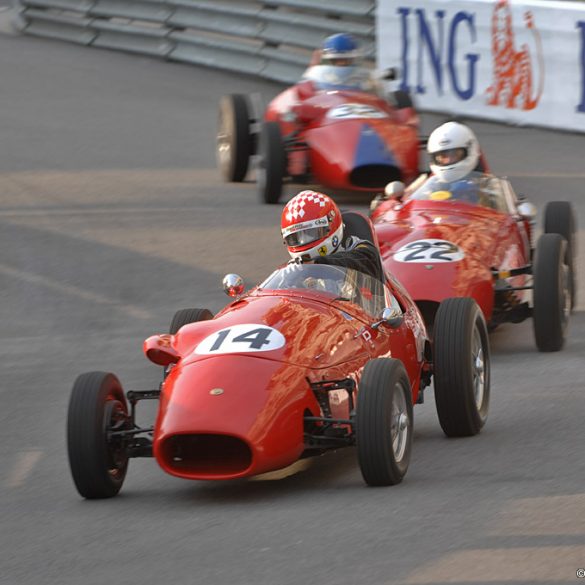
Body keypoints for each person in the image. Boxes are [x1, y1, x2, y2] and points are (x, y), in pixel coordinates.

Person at [280, 190, 384, 282]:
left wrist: (317, 264)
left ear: (331, 225)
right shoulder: (293, 270)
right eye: (295, 238)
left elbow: (364, 260)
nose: (303, 241)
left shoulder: (363, 251)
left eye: (310, 234)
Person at [302, 33, 373, 92]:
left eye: (345, 60)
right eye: (336, 60)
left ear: (353, 59)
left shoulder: (363, 78)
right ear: (328, 60)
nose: (341, 64)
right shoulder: (320, 76)